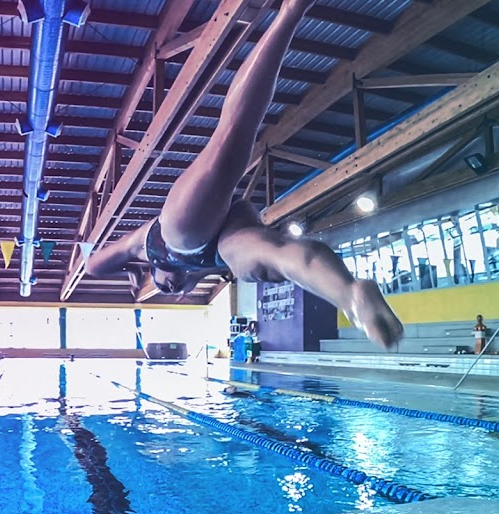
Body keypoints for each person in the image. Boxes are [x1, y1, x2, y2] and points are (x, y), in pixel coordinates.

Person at [84, 0, 403, 349]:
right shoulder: (205, 267)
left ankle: (290, 12)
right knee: (273, 257)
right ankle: (349, 293)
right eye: (175, 292)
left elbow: (93, 266)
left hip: (183, 229)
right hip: (226, 240)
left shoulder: (147, 247)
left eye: (161, 286)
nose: (171, 289)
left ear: (151, 272)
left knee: (232, 136)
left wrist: (129, 266)